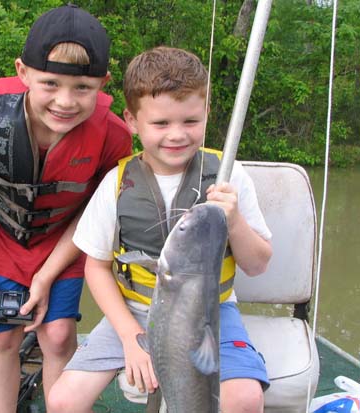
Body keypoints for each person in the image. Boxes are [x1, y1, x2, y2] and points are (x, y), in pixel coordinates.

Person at [47, 46, 273, 413]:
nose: (177, 135)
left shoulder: (230, 176)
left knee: (245, 399)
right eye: (161, 123)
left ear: (206, 114)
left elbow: (258, 264)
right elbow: (96, 266)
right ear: (132, 121)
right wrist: (130, 338)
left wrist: (234, 221)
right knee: (62, 400)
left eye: (190, 121)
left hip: (209, 311)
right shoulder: (116, 184)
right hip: (135, 311)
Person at [0, 4, 132, 412]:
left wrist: (44, 276)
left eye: (82, 88)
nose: (65, 101)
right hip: (0, 239)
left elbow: (97, 214)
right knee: (3, 334)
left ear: (104, 83)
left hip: (65, 238)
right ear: (23, 72)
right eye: (50, 83)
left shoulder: (113, 136)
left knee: (58, 334)